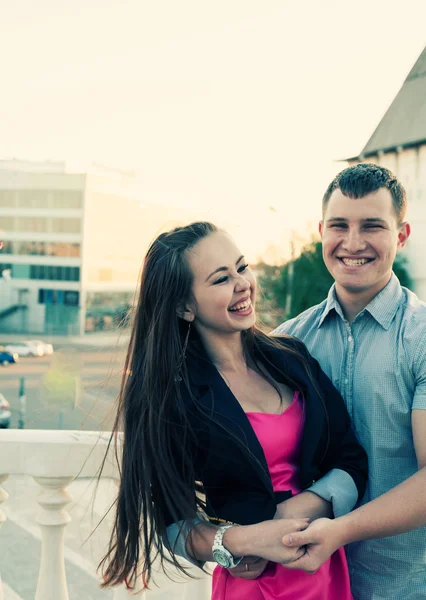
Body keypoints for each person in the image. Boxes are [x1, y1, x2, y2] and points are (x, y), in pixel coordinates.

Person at [99, 221, 368, 598]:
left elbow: (352, 459)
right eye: (221, 279)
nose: (243, 284)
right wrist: (239, 540)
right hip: (253, 583)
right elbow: (174, 525)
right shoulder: (174, 397)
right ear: (185, 306)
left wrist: (300, 510)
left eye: (242, 267)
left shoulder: (293, 359)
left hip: (322, 570)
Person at [274, 163, 426, 600]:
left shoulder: (420, 339)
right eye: (339, 225)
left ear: (401, 235)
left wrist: (339, 531)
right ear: (321, 230)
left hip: (404, 587)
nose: (353, 243)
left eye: (372, 226)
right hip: (303, 587)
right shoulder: (286, 342)